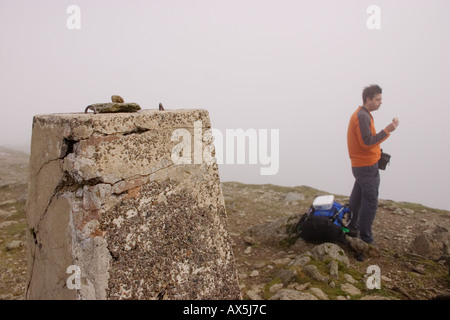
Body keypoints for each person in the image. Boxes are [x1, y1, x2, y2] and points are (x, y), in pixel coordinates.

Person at [347, 84, 399, 245]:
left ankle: (352, 229)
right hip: (366, 167)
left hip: (362, 165)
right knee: (370, 201)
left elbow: (367, 140)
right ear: (368, 99)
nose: (380, 102)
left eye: (380, 99)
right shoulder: (362, 116)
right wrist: (388, 130)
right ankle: (366, 238)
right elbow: (366, 142)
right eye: (377, 99)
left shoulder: (362, 114)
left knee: (356, 200)